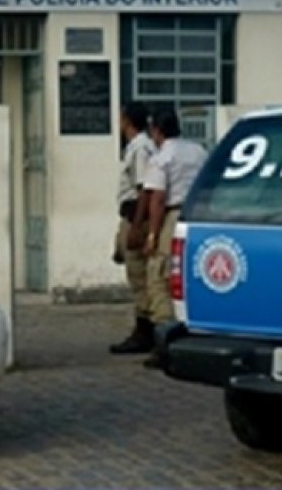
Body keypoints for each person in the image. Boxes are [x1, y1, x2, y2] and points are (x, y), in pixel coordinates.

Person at [140, 106, 208, 368]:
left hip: (171, 217)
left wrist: (152, 236)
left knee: (160, 279)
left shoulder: (161, 157)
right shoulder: (198, 151)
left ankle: (164, 343)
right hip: (197, 217)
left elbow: (157, 199)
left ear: (156, 129)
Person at [109, 101, 156, 354]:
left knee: (139, 275)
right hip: (129, 215)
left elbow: (143, 190)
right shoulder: (136, 147)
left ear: (127, 120)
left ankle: (145, 330)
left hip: (137, 215)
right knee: (129, 264)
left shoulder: (140, 149)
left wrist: (138, 227)